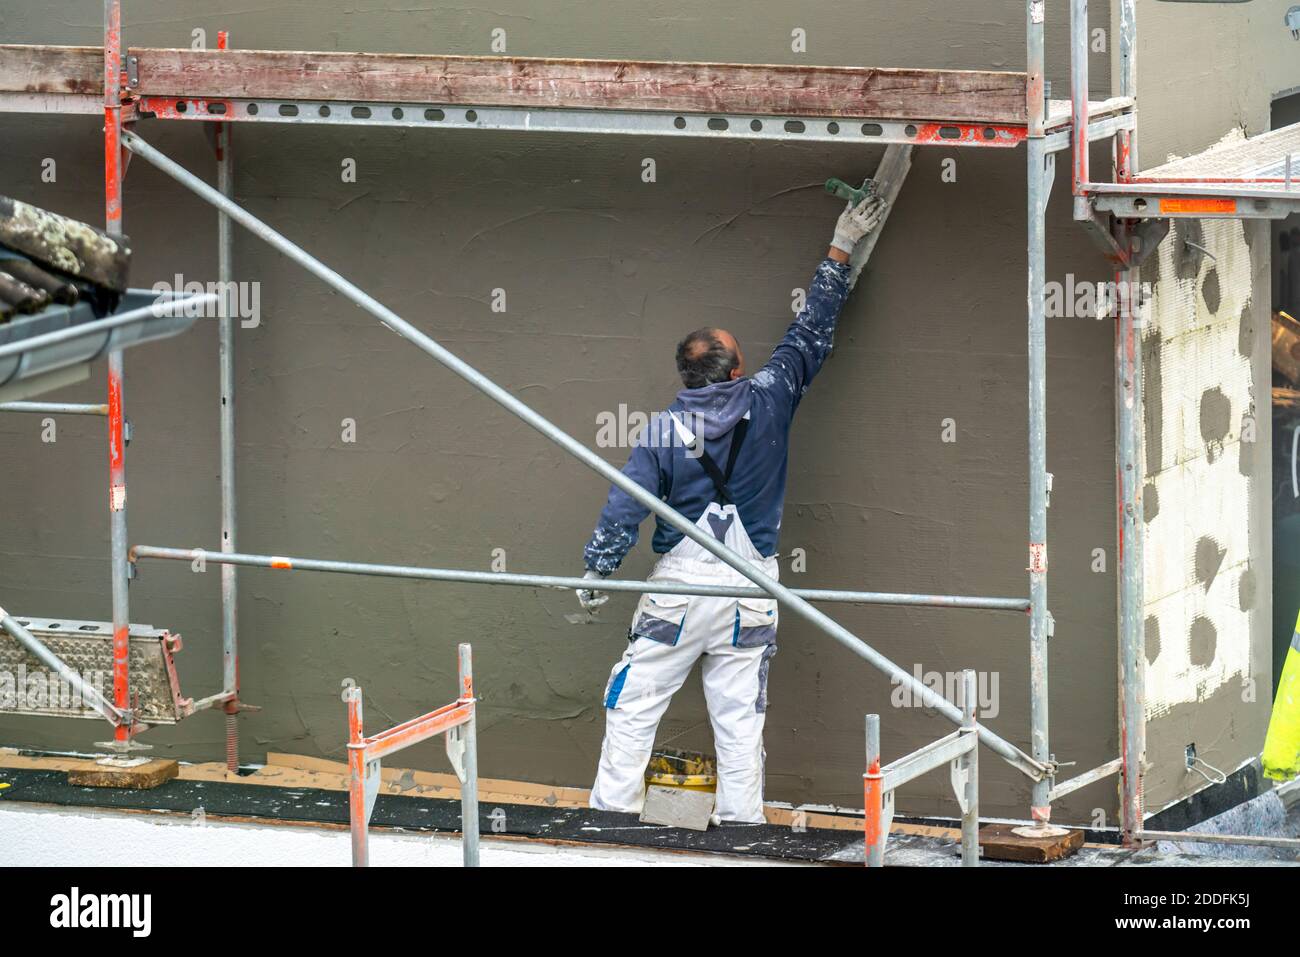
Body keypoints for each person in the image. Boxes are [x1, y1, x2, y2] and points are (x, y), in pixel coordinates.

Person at [576, 193, 889, 823]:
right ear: (737, 368)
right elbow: (813, 330)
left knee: (634, 705)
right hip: (749, 592)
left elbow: (623, 506)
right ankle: (745, 829)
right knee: (740, 719)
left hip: (680, 597)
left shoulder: (663, 430)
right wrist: (841, 242)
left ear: (686, 377)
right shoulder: (769, 398)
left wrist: (596, 572)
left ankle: (609, 819)